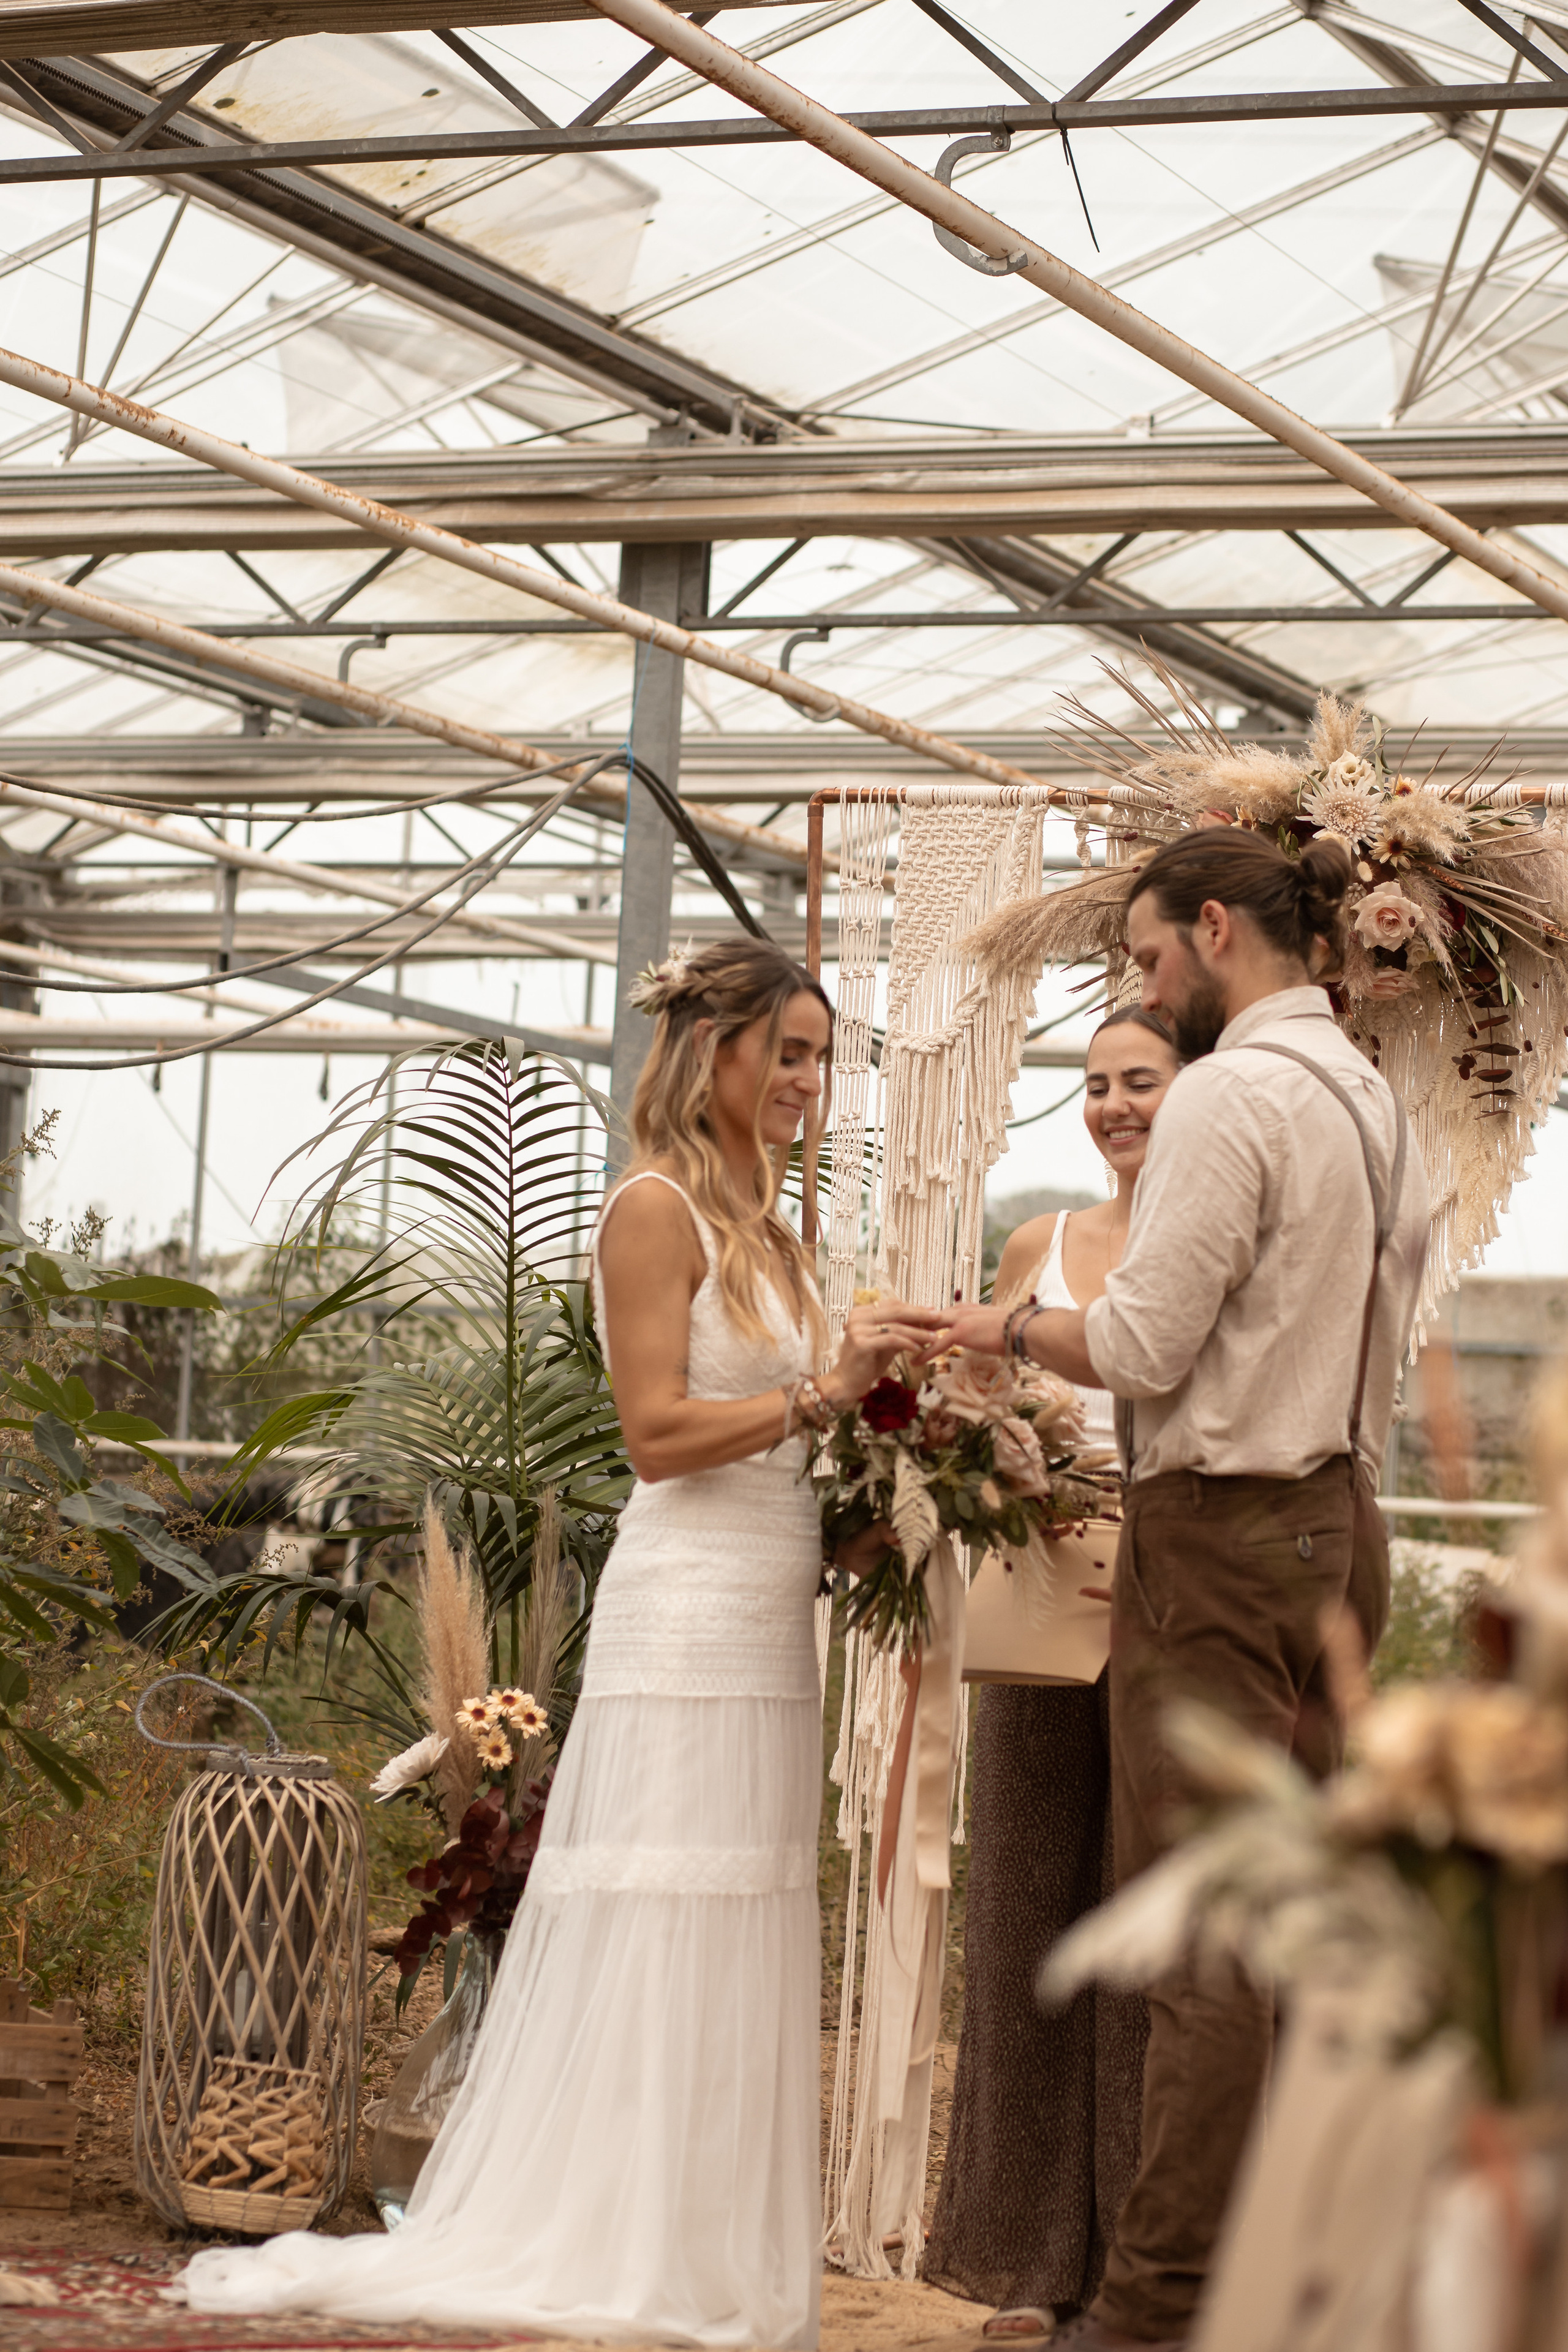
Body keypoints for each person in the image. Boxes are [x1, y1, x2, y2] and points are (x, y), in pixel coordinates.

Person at [179, 937, 947, 2348]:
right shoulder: (650, 1210)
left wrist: (871, 1516)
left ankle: (702, 2236)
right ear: (708, 1050)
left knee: (743, 1905)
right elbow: (657, 1440)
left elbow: (786, 1439)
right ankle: (612, 2233)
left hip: (771, 1609)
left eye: (818, 1056)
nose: (805, 1081)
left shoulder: (772, 1223)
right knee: (662, 1902)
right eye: (784, 1049)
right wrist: (825, 1398)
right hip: (680, 1615)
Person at [939, 830, 1428, 2351]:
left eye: (1151, 958)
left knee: (1205, 1937)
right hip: (1339, 1522)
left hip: (1220, 1530)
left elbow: (1141, 1347)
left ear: (1213, 929)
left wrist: (1002, 1329)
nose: (1149, 989)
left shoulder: (1231, 1092)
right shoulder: (1368, 1095)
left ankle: (1153, 2310)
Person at [925, 1009, 1178, 2337]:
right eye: (1091, 1086)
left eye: (1138, 1081)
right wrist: (997, 1461)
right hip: (1037, 1611)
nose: (1111, 1105)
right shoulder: (1040, 1248)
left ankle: (1135, 2275)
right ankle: (1023, 2265)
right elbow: (966, 1411)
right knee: (1025, 1926)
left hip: (1168, 1615)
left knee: (1147, 1938)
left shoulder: (1210, 1244)